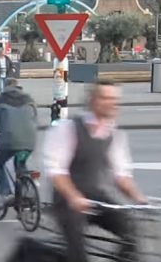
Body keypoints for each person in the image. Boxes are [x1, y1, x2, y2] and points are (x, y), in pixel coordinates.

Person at [43, 80, 147, 262]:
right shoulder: (68, 129)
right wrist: (74, 196)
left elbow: (121, 175)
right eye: (106, 98)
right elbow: (57, 171)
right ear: (92, 100)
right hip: (67, 199)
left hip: (94, 195)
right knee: (78, 253)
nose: (112, 103)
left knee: (131, 232)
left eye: (115, 99)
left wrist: (138, 197)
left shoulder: (114, 134)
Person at [0, 78, 37, 208]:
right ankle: (25, 193)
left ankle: (6, 192)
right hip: (30, 139)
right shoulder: (29, 99)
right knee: (20, 164)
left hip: (9, 140)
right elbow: (34, 118)